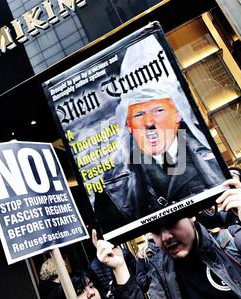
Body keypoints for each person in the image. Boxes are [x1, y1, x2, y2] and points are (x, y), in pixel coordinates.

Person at [94, 35, 225, 234]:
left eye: (158, 110)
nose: (149, 123)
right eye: (139, 114)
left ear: (178, 114)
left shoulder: (211, 161)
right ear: (128, 124)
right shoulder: (114, 187)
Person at [93, 179, 241, 299]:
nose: (166, 237)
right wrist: (119, 269)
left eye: (172, 222)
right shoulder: (160, 274)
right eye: (155, 231)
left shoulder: (236, 242)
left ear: (192, 216)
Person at [136, 233, 181, 299]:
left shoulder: (170, 247)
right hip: (158, 296)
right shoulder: (142, 255)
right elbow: (141, 282)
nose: (149, 232)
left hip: (178, 292)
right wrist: (151, 276)